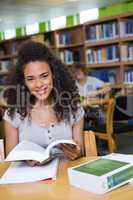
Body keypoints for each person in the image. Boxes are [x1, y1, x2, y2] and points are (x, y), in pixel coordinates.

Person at [3, 41, 84, 166]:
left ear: (53, 75)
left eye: (44, 76)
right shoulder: (14, 113)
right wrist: (25, 159)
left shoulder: (73, 108)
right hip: (30, 180)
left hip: (65, 178)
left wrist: (77, 152)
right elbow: (10, 157)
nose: (39, 84)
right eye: (31, 79)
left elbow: (81, 151)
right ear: (23, 81)